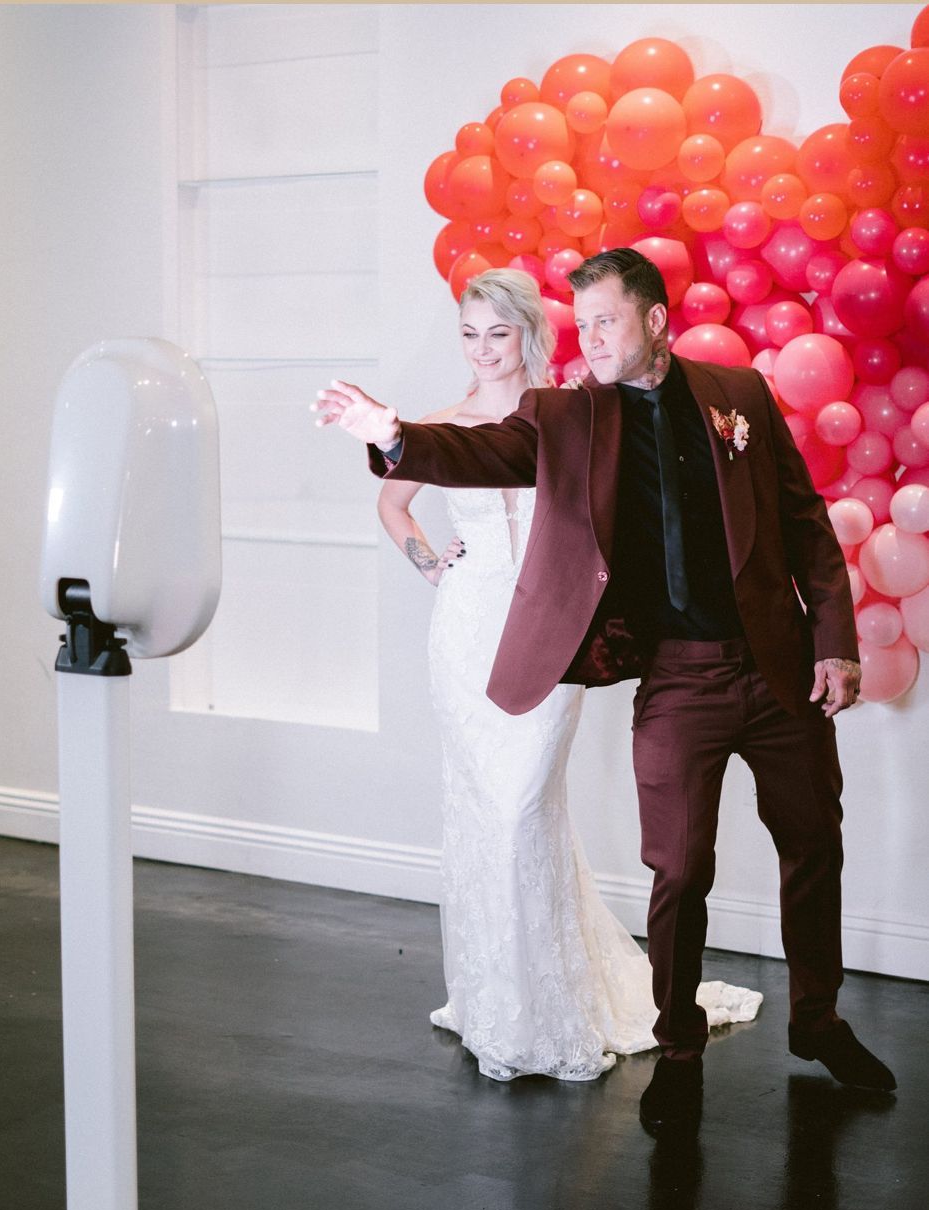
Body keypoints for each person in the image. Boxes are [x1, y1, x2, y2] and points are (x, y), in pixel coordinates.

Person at [314, 247, 895, 1132]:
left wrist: (835, 643)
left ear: (656, 321)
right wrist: (394, 435)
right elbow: (481, 451)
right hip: (678, 680)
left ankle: (818, 1022)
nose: (589, 339)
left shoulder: (740, 396)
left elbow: (805, 519)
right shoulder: (570, 414)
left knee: (814, 846)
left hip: (777, 669)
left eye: (607, 321)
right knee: (679, 869)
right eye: (580, 324)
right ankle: (680, 1044)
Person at [375, 268, 760, 1083]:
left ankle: (550, 1005)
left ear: (530, 337)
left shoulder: (576, 413)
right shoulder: (442, 422)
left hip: (553, 629)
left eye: (498, 334)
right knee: (485, 811)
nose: (483, 351)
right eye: (469, 335)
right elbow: (392, 502)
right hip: (469, 633)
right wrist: (430, 564)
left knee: (523, 809)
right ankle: (496, 1004)